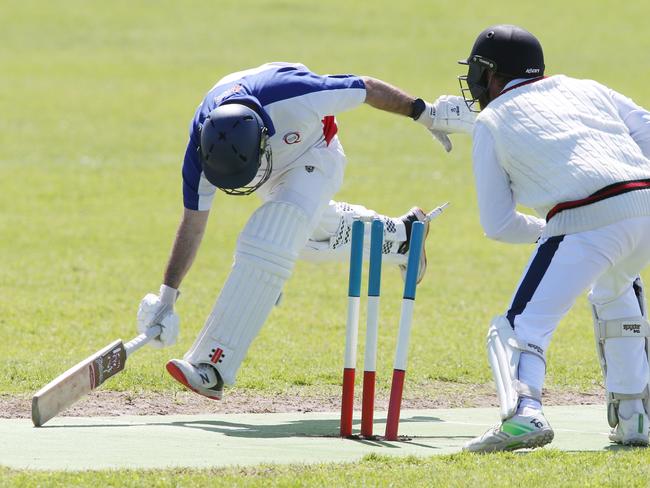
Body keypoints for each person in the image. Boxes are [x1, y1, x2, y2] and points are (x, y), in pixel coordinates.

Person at [135, 62, 475, 401]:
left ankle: (212, 366)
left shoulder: (294, 94)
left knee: (270, 235)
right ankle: (403, 236)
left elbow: (367, 87)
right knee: (305, 240)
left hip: (316, 152)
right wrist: (167, 298)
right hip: (268, 172)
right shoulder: (200, 146)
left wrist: (425, 113)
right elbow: (193, 225)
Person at [458, 25, 650, 453]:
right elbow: (647, 129)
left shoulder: (490, 121)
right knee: (615, 289)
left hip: (584, 217)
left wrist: (550, 233)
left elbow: (498, 223)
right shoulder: (586, 87)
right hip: (646, 204)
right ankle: (635, 416)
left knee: (516, 327)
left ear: (491, 75)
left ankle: (524, 414)